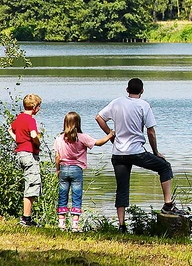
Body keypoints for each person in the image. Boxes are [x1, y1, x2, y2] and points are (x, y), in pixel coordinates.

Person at [96, 77, 179, 232]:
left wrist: (110, 135)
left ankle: (121, 225)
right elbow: (151, 131)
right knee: (164, 167)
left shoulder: (117, 102)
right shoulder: (144, 105)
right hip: (136, 152)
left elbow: (99, 117)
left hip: (118, 153)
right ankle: (168, 204)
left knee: (122, 188)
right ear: (142, 91)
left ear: (127, 90)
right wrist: (156, 152)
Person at [52, 112, 114, 232]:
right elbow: (98, 143)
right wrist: (110, 135)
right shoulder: (82, 137)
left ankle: (61, 223)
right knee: (76, 196)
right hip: (77, 170)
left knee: (62, 195)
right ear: (78, 123)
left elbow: (57, 156)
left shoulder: (59, 138)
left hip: (64, 168)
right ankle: (75, 225)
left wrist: (58, 169)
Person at [9, 93, 43, 227]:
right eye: (39, 106)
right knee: (33, 184)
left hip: (21, 154)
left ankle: (26, 217)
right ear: (35, 107)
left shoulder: (19, 118)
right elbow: (34, 134)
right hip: (29, 154)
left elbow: (10, 129)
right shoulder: (30, 120)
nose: (39, 109)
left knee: (29, 183)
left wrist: (18, 140)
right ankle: (26, 218)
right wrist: (37, 143)